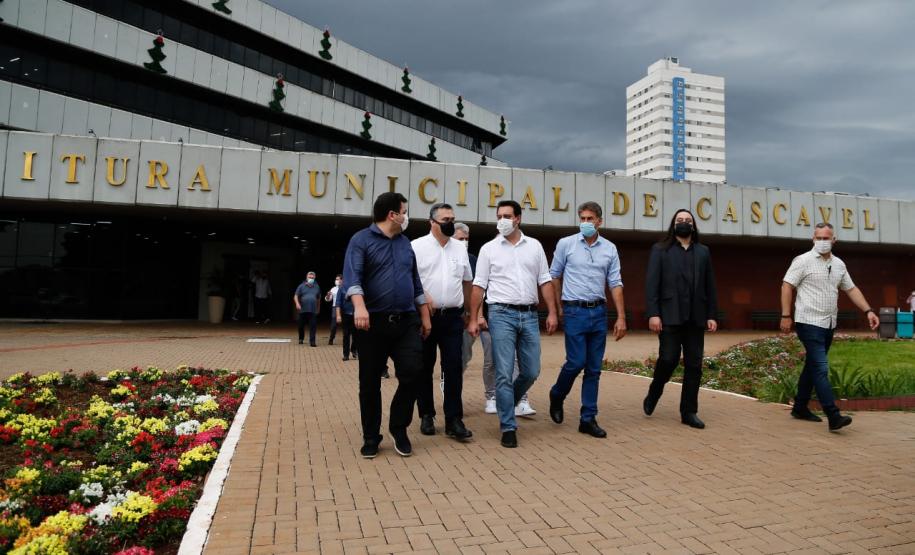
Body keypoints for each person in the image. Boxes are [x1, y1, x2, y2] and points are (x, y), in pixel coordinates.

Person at [343, 191, 431, 459]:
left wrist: (425, 316)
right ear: (392, 214)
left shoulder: (406, 244)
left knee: (414, 372)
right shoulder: (361, 240)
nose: (406, 216)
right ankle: (371, 436)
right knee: (369, 383)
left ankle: (398, 427)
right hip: (372, 323)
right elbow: (352, 277)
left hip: (406, 322)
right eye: (404, 211)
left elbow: (416, 283)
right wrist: (360, 306)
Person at [467, 200, 558, 448]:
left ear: (518, 218)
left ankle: (507, 403)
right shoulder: (489, 249)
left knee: (531, 370)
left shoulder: (535, 246)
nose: (502, 220)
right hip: (501, 314)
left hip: (529, 314)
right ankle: (508, 426)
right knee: (504, 373)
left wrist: (552, 312)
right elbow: (479, 286)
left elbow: (545, 280)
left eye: (507, 215)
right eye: (499, 215)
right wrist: (474, 318)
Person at [780, 222, 880, 432]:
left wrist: (868, 311)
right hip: (808, 322)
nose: (823, 242)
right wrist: (786, 315)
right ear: (813, 239)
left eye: (827, 238)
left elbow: (851, 289)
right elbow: (787, 285)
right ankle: (833, 415)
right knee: (820, 368)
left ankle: (799, 407)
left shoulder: (839, 265)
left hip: (828, 323)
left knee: (812, 366)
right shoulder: (803, 261)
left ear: (834, 240)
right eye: (819, 238)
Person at [548, 201, 627, 438]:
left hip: (599, 312)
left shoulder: (610, 249)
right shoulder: (566, 244)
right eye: (582, 218)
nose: (585, 223)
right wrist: (558, 307)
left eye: (590, 219)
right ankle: (557, 394)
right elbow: (554, 275)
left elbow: (615, 283)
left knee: (594, 368)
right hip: (575, 311)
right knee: (576, 361)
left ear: (599, 221)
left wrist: (621, 317)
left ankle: (588, 418)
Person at [642, 209, 718, 429]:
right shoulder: (660, 250)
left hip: (696, 318)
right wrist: (653, 313)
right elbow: (651, 284)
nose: (684, 223)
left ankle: (689, 412)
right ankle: (655, 391)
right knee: (668, 359)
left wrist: (711, 315)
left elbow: (710, 285)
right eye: (679, 220)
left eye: (687, 220)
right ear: (673, 225)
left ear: (693, 226)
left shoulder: (703, 251)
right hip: (669, 316)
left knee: (694, 365)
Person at [412, 203, 474, 441]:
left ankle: (453, 419)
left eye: (452, 219)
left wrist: (469, 312)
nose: (450, 223)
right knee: (424, 368)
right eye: (445, 219)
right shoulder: (416, 247)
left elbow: (467, 281)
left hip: (453, 318)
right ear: (432, 222)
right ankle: (427, 415)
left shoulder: (460, 248)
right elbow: (409, 279)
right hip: (425, 319)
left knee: (454, 368)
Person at [457, 223, 532, 416]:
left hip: (503, 315)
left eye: (467, 239)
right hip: (479, 315)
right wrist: (478, 316)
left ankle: (520, 399)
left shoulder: (520, 254)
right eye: (460, 239)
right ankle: (490, 396)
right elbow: (478, 287)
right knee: (484, 359)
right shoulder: (486, 253)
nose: (464, 242)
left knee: (513, 360)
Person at [294, 271, 321, 346]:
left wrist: (318, 308)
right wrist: (297, 303)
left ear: (314, 278)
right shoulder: (301, 286)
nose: (311, 278)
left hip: (313, 310)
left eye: (312, 277)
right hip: (302, 310)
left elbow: (318, 298)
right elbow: (296, 296)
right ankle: (301, 338)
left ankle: (312, 342)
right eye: (309, 277)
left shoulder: (317, 287)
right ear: (306, 277)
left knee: (313, 326)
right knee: (300, 326)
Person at [335, 281, 359, 361]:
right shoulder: (341, 288)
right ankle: (346, 354)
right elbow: (338, 303)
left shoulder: (358, 287)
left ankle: (354, 349)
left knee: (356, 335)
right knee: (346, 335)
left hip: (356, 314)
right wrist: (338, 315)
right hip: (345, 314)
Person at [325, 274, 342, 345]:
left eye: (338, 279)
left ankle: (346, 341)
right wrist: (328, 295)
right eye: (336, 279)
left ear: (342, 280)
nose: (336, 281)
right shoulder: (333, 289)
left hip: (344, 308)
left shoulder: (346, 287)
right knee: (333, 325)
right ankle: (331, 338)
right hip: (335, 307)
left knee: (346, 325)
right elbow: (328, 299)